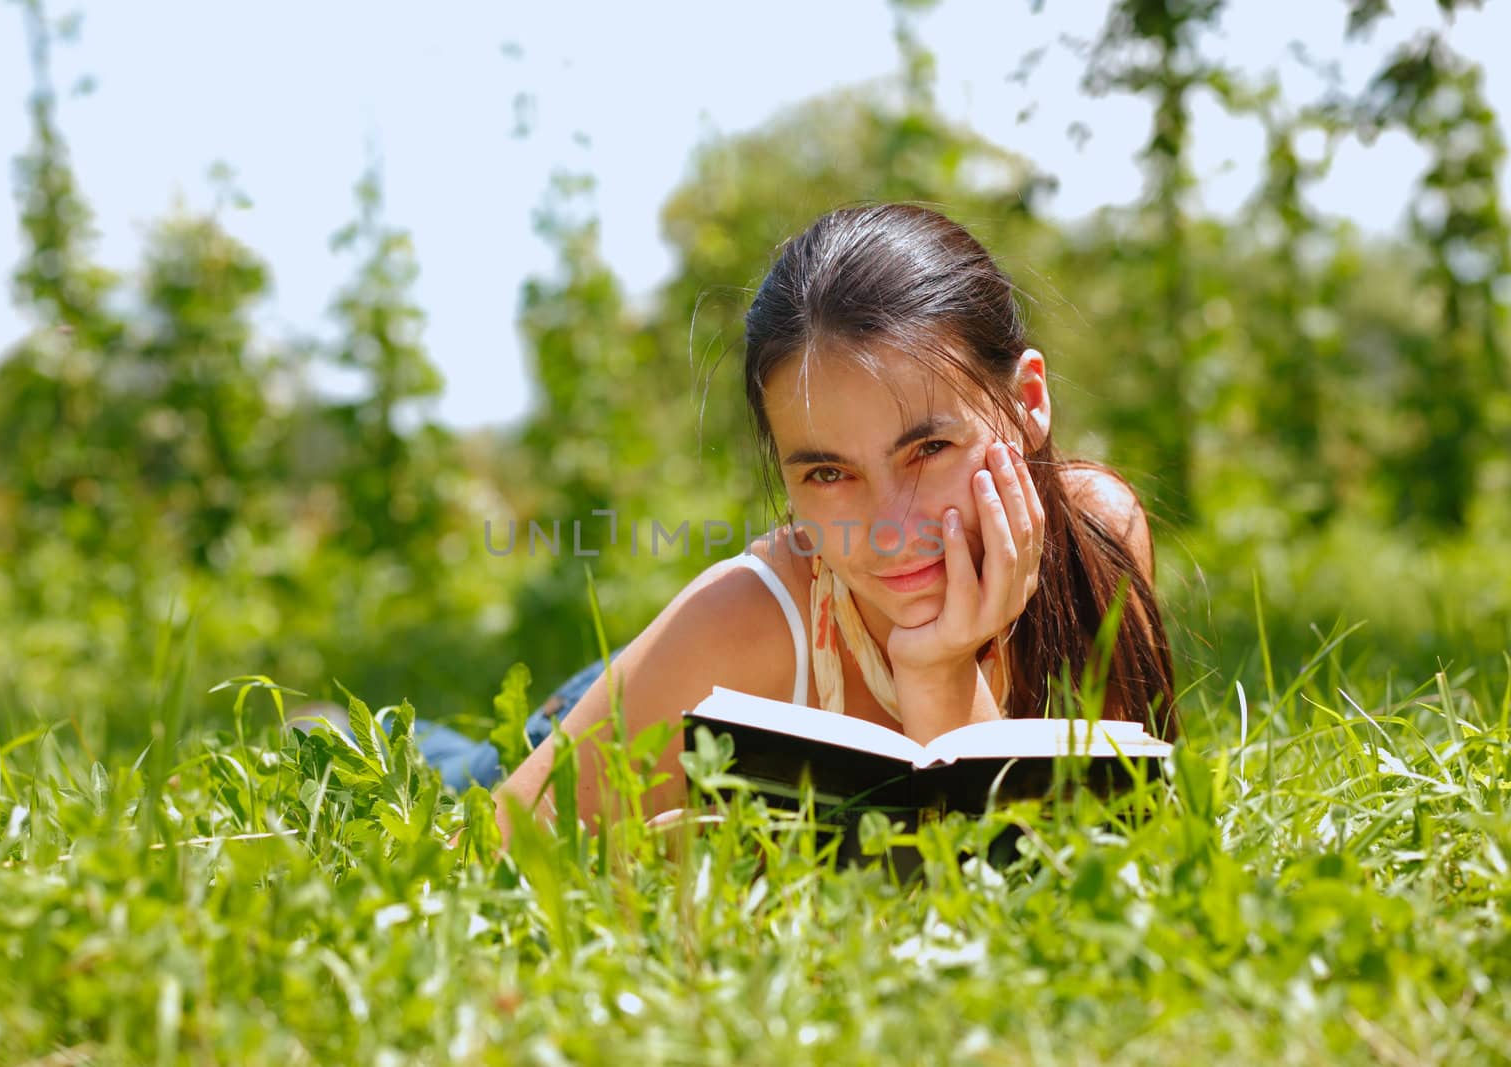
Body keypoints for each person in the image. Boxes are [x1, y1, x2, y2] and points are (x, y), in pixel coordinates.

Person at [381, 202, 1176, 848]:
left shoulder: (1096, 537)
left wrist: (936, 671)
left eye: (929, 447)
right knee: (430, 763)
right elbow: (488, 855)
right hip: (616, 707)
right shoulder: (740, 623)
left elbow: (1046, 864)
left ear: (1029, 401)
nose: (890, 528)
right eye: (829, 473)